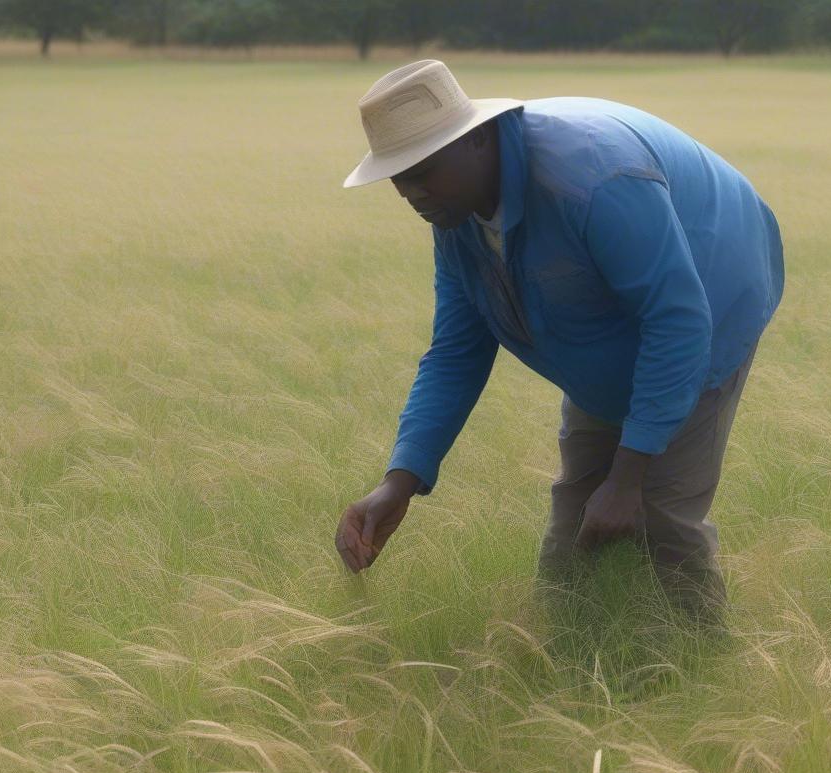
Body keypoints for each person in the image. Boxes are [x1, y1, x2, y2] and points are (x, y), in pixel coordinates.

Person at [334, 59, 785, 623]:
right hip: (614, 321)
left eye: (422, 169)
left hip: (714, 290)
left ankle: (704, 655)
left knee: (661, 511)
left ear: (475, 140)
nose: (408, 191)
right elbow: (456, 352)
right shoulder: (455, 220)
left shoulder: (596, 182)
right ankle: (569, 642)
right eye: (396, 176)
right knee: (579, 512)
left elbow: (677, 323)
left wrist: (629, 476)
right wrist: (398, 483)